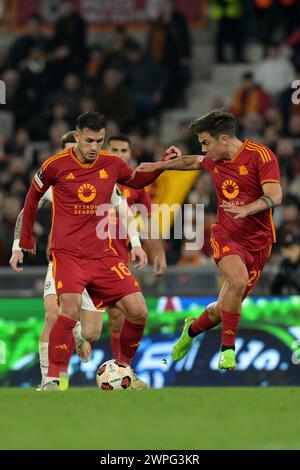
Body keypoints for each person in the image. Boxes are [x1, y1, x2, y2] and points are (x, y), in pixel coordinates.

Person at [19, 111, 164, 390]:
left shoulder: (111, 164)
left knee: (138, 311)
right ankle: (52, 379)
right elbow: (32, 197)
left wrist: (162, 166)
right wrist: (25, 240)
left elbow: (136, 181)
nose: (94, 146)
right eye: (89, 140)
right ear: (76, 137)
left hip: (103, 255)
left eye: (99, 141)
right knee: (68, 310)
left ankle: (126, 371)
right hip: (68, 254)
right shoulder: (55, 165)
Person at [137, 110, 282, 369]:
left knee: (221, 308)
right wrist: (159, 166)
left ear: (223, 139)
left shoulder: (260, 156)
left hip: (259, 243)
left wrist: (249, 209)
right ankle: (228, 350)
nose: (204, 149)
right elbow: (192, 161)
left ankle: (190, 330)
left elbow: (275, 195)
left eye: (206, 142)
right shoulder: (213, 159)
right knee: (236, 279)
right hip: (226, 236)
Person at [106, 134, 166, 358]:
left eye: (124, 151)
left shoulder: (136, 184)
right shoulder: (94, 175)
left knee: (118, 316)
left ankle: (121, 370)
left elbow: (148, 221)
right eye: (114, 150)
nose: (119, 155)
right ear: (106, 150)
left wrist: (158, 252)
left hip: (118, 257)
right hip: (85, 252)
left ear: (130, 154)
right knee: (86, 326)